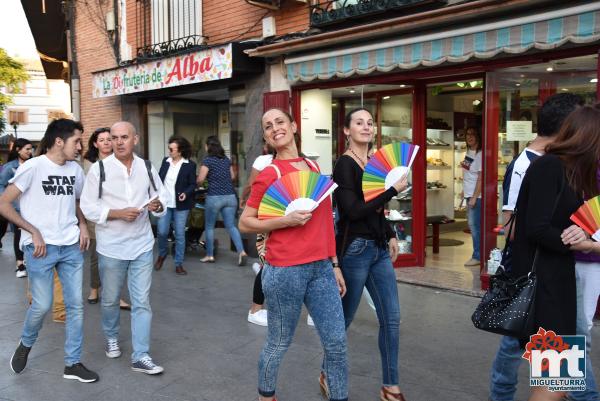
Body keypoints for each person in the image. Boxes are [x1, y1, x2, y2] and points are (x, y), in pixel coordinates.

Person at [489, 93, 598, 401]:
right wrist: (576, 240)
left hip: (558, 283)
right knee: (556, 383)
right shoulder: (549, 167)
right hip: (543, 286)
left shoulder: (567, 170)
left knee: (559, 383)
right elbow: (534, 228)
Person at [239, 108, 348, 401]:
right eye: (268, 126)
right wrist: (283, 221)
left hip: (321, 270)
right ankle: (266, 396)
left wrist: (334, 264)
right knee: (278, 343)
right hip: (285, 271)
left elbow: (326, 222)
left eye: (280, 122)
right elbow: (245, 222)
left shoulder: (313, 168)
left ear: (294, 125)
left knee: (337, 342)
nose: (275, 128)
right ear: (265, 136)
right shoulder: (269, 174)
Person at [0, 119, 98, 382]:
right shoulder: (33, 167)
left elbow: (76, 200)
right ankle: (25, 344)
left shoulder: (76, 170)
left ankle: (72, 363)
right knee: (42, 305)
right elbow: (4, 204)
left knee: (75, 306)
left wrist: (82, 225)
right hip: (40, 248)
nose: (80, 146)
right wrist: (33, 231)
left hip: (70, 246)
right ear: (58, 141)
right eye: (76, 141)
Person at [332, 108, 408, 401]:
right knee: (344, 320)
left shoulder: (375, 163)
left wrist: (390, 234)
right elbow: (352, 212)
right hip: (354, 251)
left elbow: (375, 209)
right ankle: (328, 370)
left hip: (377, 248)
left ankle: (391, 386)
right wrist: (390, 191)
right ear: (347, 131)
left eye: (369, 122)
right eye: (358, 123)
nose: (366, 127)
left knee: (392, 318)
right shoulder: (345, 165)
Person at [80, 121, 167, 375]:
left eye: (123, 137)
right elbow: (87, 206)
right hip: (111, 246)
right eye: (114, 138)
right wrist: (117, 213)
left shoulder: (147, 167)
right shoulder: (99, 170)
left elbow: (161, 198)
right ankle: (111, 336)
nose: (118, 142)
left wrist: (157, 207)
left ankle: (141, 355)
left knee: (141, 301)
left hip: (141, 244)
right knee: (109, 299)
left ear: (135, 139)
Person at [82, 128, 131, 309]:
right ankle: (94, 288)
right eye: (101, 140)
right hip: (96, 216)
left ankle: (115, 294)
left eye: (109, 139)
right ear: (95, 143)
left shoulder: (122, 161)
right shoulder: (88, 164)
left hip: (119, 216)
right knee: (97, 256)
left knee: (117, 258)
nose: (106, 143)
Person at [197, 135, 247, 265]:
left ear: (208, 146)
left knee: (209, 227)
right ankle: (241, 252)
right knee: (231, 226)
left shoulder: (208, 160)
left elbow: (201, 179)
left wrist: (198, 183)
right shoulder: (226, 160)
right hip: (230, 196)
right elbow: (232, 176)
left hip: (214, 197)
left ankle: (209, 255)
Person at [240, 145, 274, 327]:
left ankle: (256, 308)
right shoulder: (264, 161)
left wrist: (244, 197)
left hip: (273, 215)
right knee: (267, 264)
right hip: (269, 217)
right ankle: (255, 309)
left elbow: (251, 185)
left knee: (268, 262)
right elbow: (254, 186)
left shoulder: (263, 161)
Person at [154, 136, 197, 275]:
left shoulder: (190, 165)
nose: (169, 151)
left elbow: (192, 184)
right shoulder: (165, 162)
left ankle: (178, 264)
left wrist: (186, 192)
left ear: (180, 151)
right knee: (161, 231)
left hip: (181, 205)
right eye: (169, 148)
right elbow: (159, 179)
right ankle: (162, 254)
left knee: (179, 234)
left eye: (172, 149)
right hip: (165, 204)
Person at [0, 138, 33, 277]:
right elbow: (1, 185)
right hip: (14, 208)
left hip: (31, 207)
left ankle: (27, 261)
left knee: (27, 233)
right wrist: (5, 200)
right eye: (27, 149)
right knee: (18, 233)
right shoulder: (10, 167)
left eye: (31, 149)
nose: (30, 152)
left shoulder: (34, 164)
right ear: (18, 150)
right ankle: (20, 264)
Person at [461, 127, 482, 267]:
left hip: (476, 196)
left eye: (472, 134)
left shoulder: (480, 154)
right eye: (468, 134)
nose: (470, 137)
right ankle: (477, 254)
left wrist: (474, 196)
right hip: (468, 194)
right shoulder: (469, 152)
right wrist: (464, 192)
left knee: (475, 227)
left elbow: (481, 178)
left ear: (478, 137)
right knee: (472, 225)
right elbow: (468, 173)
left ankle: (478, 256)